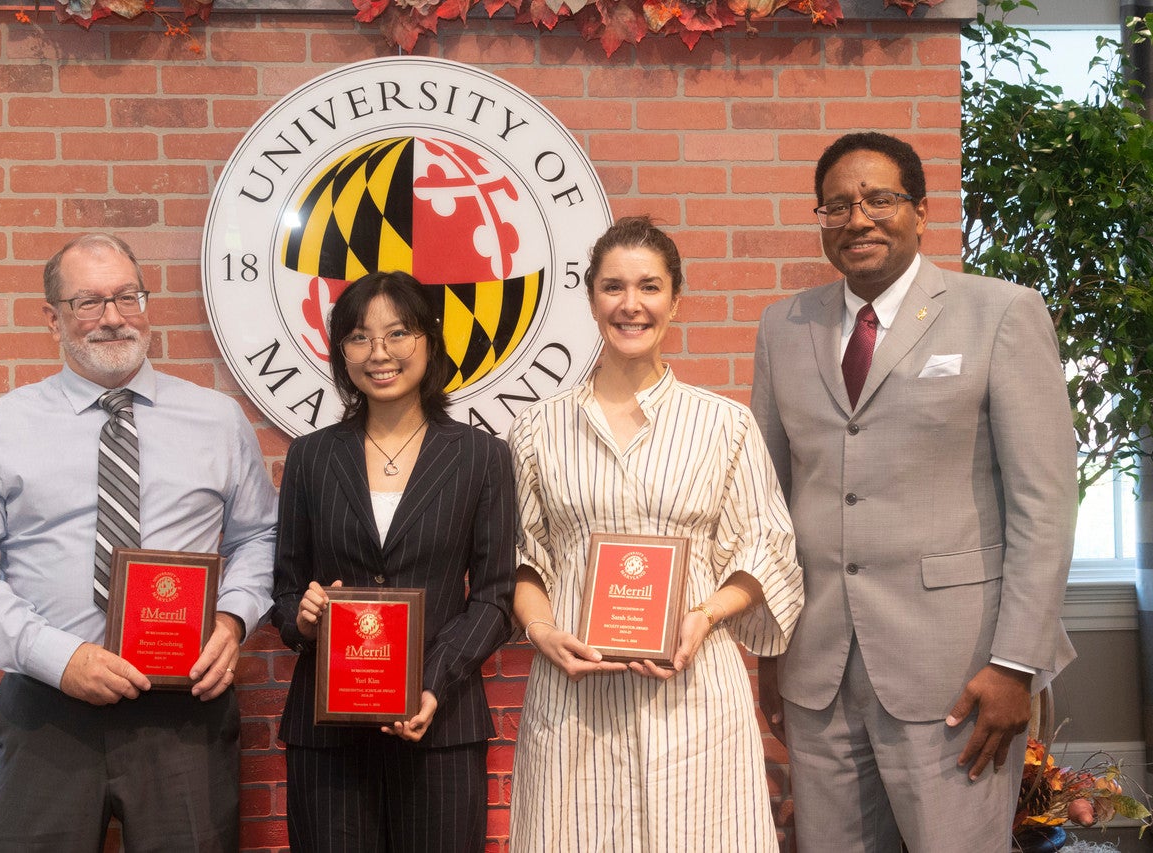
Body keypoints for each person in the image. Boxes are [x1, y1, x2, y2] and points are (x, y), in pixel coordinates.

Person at [750, 132, 1078, 853]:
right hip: (818, 670)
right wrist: (769, 650)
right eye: (837, 204)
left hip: (958, 674)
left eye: (878, 199)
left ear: (922, 211)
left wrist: (1016, 662)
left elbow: (1044, 505)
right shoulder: (784, 326)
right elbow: (766, 502)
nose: (857, 218)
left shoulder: (1000, 313)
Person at [0, 233, 278, 851]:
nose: (112, 318)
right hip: (46, 713)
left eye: (126, 297)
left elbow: (260, 536)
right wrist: (58, 657)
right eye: (88, 302)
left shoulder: (217, 421)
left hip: (184, 712)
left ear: (147, 303)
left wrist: (232, 619)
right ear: (51, 318)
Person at [507, 215, 804, 852]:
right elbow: (522, 560)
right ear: (591, 299)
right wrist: (542, 631)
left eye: (649, 287)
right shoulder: (538, 430)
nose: (631, 305)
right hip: (575, 695)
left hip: (694, 692)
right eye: (613, 287)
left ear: (675, 298)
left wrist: (704, 614)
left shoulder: (725, 425)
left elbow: (766, 547)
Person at [271, 270, 516, 853]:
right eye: (359, 337)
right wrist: (302, 618)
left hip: (442, 727)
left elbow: (494, 598)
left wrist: (427, 686)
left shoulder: (482, 456)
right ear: (341, 353)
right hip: (327, 734)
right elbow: (283, 590)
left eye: (397, 333)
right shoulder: (310, 458)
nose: (379, 353)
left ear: (428, 343)